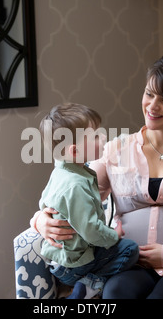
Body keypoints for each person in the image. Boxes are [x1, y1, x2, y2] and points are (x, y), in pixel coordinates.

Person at [31, 52, 163, 299]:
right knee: (116, 293)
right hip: (130, 263)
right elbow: (72, 193)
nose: (152, 105)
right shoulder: (116, 150)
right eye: (149, 94)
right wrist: (40, 220)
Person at [34, 103, 139, 299]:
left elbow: (43, 202)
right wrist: (113, 235)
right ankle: (89, 285)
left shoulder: (61, 171)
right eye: (96, 136)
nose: (104, 138)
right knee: (130, 250)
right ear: (74, 151)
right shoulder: (76, 186)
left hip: (61, 259)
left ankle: (85, 285)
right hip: (74, 264)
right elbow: (91, 231)